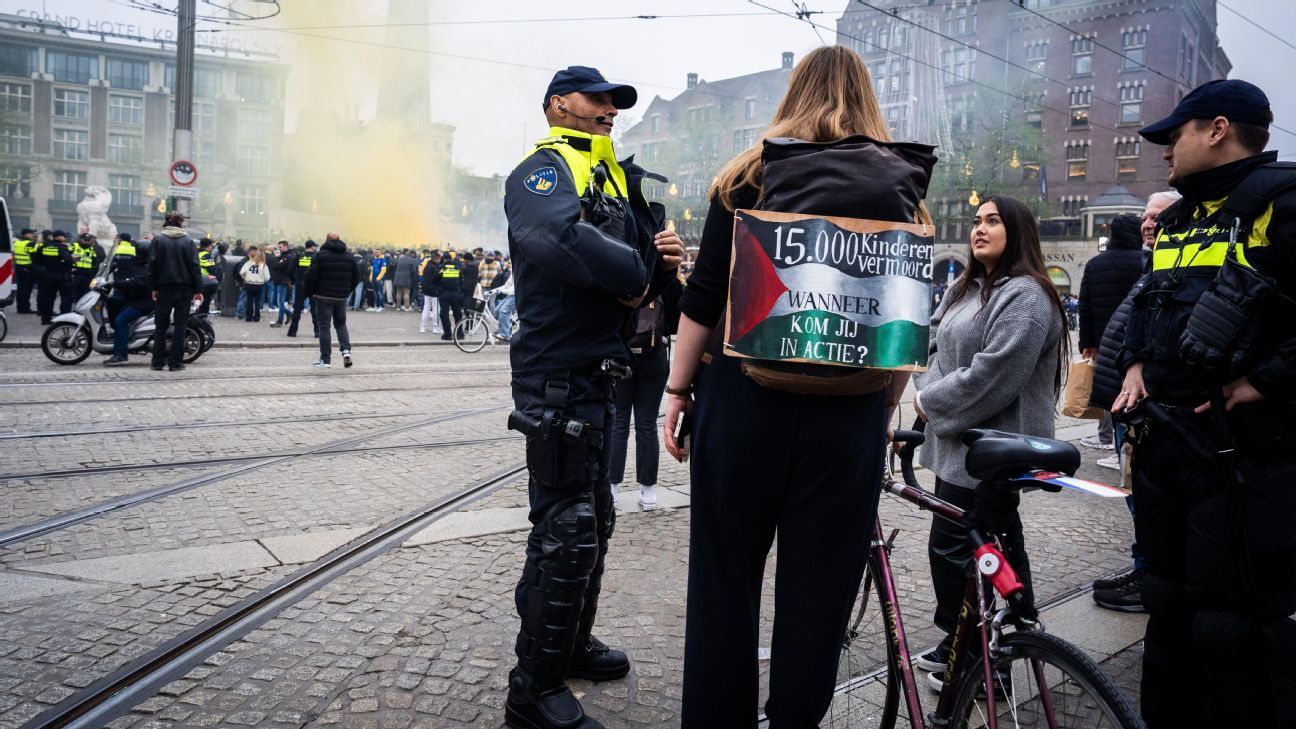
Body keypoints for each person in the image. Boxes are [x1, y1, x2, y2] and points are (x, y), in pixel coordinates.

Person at [660, 47, 927, 727]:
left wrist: (676, 389)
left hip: (745, 402)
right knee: (820, 593)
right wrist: (883, 408)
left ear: (793, 93)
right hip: (849, 417)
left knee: (724, 582)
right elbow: (900, 315)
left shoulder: (749, 173)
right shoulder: (903, 186)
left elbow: (703, 294)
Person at [502, 64, 684, 729]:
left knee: (591, 519)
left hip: (599, 370)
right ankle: (533, 689)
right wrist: (640, 268)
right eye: (597, 98)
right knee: (566, 530)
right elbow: (556, 239)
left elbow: (642, 280)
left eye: (616, 102)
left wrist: (662, 259)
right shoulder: (543, 170)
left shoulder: (608, 175)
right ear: (559, 104)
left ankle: (568, 644)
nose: (610, 109)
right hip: (557, 372)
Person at [1114, 79, 1296, 728]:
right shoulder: (1183, 214)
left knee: (1233, 625)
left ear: (1217, 129)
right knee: (1167, 603)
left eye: (1175, 134)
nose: (1165, 150)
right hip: (1170, 447)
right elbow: (1150, 301)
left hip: (1245, 457)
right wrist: (1135, 361)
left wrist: (1267, 381)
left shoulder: (1283, 202)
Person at [911, 195, 1068, 692]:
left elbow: (995, 374)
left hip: (991, 449)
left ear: (1016, 230)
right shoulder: (966, 287)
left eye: (992, 222)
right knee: (989, 541)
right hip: (958, 443)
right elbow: (933, 341)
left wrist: (929, 403)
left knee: (957, 549)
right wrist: (933, 393)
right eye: (976, 221)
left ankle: (983, 662)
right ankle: (977, 636)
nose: (979, 229)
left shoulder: (1026, 296)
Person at [608, 277, 681, 509]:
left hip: (621, 355)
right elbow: (676, 322)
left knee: (618, 422)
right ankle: (648, 491)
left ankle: (612, 488)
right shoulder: (668, 279)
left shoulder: (621, 270)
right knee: (647, 424)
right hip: (655, 355)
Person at [1077, 214, 1144, 453]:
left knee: (1108, 388)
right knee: (1135, 388)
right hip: (1137, 340)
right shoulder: (1147, 260)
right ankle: (1130, 444)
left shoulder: (1095, 264)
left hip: (1104, 339)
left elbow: (1085, 305)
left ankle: (1109, 438)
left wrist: (1087, 342)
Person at [148, 211, 203, 371]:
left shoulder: (158, 240)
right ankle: (175, 362)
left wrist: (153, 287)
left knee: (160, 326)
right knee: (180, 325)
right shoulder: (188, 241)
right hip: (184, 288)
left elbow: (152, 266)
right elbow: (195, 266)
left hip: (164, 287)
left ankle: (157, 362)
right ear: (181, 223)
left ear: (165, 222)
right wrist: (198, 289)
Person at [304, 233, 360, 369]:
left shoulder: (320, 255)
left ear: (326, 240)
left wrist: (310, 293)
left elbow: (311, 276)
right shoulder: (349, 257)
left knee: (324, 327)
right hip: (341, 297)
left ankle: (325, 359)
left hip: (323, 296)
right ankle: (346, 352)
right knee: (341, 324)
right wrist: (347, 291)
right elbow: (356, 277)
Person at [102, 233, 152, 367]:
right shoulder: (140, 264)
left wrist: (116, 283)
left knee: (121, 319)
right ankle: (119, 336)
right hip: (135, 297)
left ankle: (121, 354)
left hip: (144, 302)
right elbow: (130, 278)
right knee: (112, 302)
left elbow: (138, 283)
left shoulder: (148, 267)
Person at [34, 230, 75, 324]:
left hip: (48, 275)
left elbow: (37, 261)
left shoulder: (45, 247)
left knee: (48, 298)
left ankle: (45, 319)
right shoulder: (63, 247)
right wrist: (73, 260)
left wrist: (44, 270)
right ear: (60, 237)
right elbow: (67, 260)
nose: (65, 238)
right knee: (66, 298)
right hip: (62, 276)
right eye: (64, 237)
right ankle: (65, 319)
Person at [287, 240, 319, 337]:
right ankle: (317, 332)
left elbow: (290, 271)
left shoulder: (299, 256)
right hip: (314, 287)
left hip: (301, 285)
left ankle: (292, 332)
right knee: (314, 309)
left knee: (297, 308)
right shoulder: (317, 257)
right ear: (312, 247)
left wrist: (294, 282)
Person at [435, 250, 464, 340]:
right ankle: (460, 334)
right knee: (457, 314)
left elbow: (435, 280)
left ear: (443, 259)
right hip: (456, 294)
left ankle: (448, 335)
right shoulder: (458, 267)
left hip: (444, 294)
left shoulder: (440, 268)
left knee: (444, 315)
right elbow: (461, 280)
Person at [238, 247, 270, 322]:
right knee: (258, 301)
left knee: (249, 300)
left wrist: (245, 278)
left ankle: (248, 317)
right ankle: (257, 317)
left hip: (249, 283)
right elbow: (267, 277)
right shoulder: (263, 265)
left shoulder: (248, 263)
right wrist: (263, 281)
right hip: (259, 285)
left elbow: (241, 272)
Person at [269, 240, 294, 327]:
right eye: (279, 247)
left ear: (286, 246)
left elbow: (278, 266)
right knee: (276, 302)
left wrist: (277, 258)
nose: (279, 248)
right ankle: (289, 313)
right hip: (277, 280)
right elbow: (274, 266)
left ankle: (280, 321)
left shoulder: (288, 257)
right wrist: (278, 259)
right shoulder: (281, 256)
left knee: (280, 302)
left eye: (281, 247)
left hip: (283, 281)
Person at [70, 234, 102, 299]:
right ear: (80, 239)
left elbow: (95, 260)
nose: (87, 242)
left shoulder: (91, 248)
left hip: (87, 274)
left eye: (88, 240)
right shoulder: (74, 246)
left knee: (85, 292)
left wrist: (94, 270)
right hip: (76, 273)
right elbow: (67, 257)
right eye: (85, 240)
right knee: (72, 292)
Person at [195, 237, 221, 318]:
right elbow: (212, 269)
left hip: (197, 280)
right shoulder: (206, 255)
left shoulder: (196, 253)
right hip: (206, 282)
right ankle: (202, 319)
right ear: (209, 246)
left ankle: (197, 316)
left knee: (198, 302)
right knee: (205, 303)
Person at [13, 227, 36, 314]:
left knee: (20, 289)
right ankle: (25, 308)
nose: (32, 235)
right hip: (28, 268)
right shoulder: (30, 244)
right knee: (27, 289)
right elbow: (34, 256)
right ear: (26, 234)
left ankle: (19, 308)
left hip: (19, 267)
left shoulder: (16, 243)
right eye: (31, 233)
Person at [419, 250, 442, 334]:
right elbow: (437, 279)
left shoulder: (427, 266)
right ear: (436, 258)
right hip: (435, 292)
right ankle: (436, 328)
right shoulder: (436, 268)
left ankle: (423, 327)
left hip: (426, 291)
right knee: (436, 310)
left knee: (426, 309)